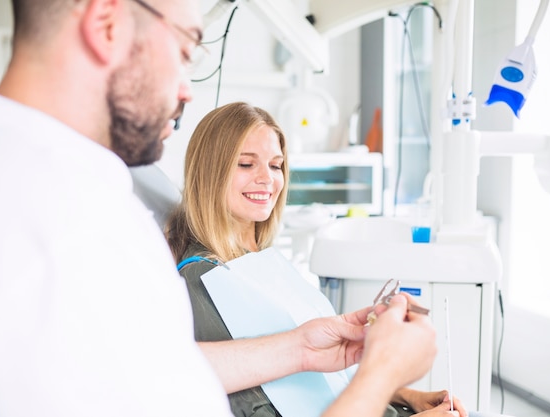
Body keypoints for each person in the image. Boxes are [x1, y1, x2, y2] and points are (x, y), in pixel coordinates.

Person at [0, 1, 436, 416]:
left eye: (275, 165)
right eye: (185, 50)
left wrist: (302, 349)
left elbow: (155, 368)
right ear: (107, 25)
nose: (186, 90)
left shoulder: (29, 183)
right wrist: (380, 373)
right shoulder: (63, 232)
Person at [166, 102, 464, 417]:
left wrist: (406, 395)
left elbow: (315, 380)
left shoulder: (261, 260)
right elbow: (258, 408)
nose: (267, 179)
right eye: (245, 164)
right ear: (210, 171)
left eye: (275, 165)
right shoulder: (206, 278)